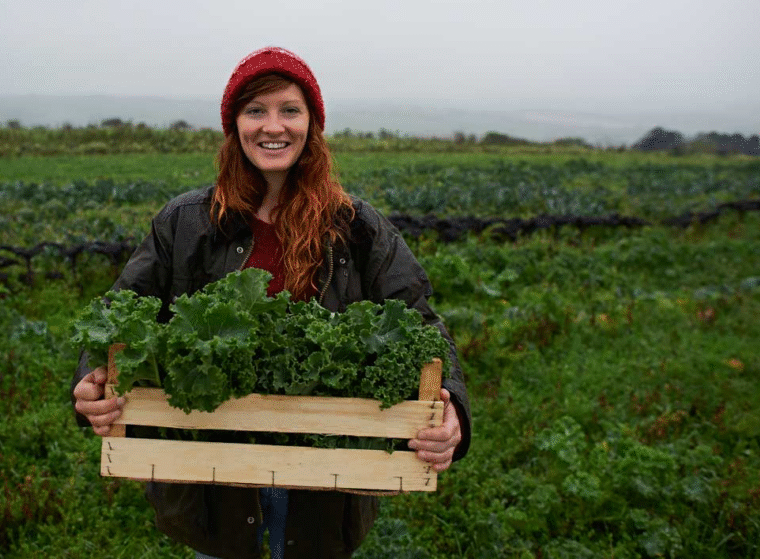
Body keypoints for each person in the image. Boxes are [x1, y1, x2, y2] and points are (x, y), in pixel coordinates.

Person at [72, 46, 472, 559]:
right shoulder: (185, 223)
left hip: (325, 482)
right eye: (255, 110)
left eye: (289, 109)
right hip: (213, 478)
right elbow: (118, 312)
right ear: (234, 124)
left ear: (312, 124)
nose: (272, 126)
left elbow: (421, 322)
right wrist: (90, 380)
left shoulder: (358, 227)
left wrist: (453, 407)